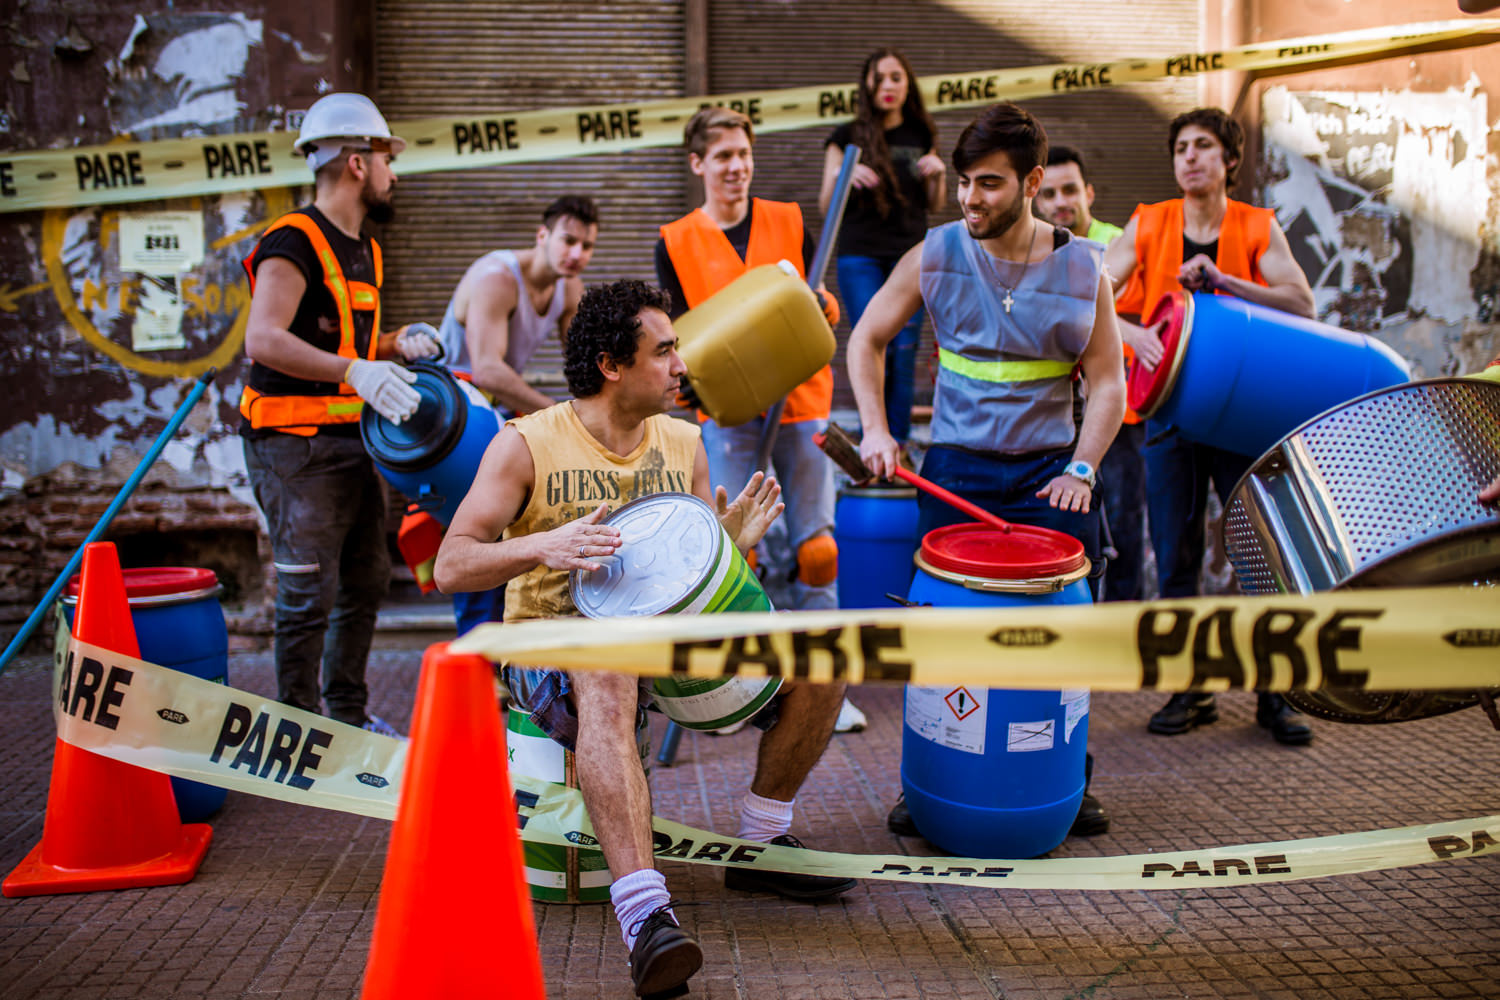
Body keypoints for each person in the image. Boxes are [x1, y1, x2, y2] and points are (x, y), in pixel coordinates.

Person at [433, 279, 853, 999]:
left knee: (824, 648)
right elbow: (450, 564)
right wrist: (545, 546)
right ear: (611, 365)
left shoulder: (686, 443)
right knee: (607, 667)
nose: (682, 365)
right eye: (665, 352)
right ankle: (647, 920)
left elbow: (679, 573)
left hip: (662, 643)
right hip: (551, 650)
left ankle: (760, 843)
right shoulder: (524, 445)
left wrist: (726, 545)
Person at [846, 102, 1126, 842]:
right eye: (966, 181)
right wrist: (877, 429)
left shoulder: (1083, 267)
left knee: (1056, 642)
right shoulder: (934, 254)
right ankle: (934, 779)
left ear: (1033, 181)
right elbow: (866, 339)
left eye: (991, 184)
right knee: (944, 642)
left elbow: (1109, 383)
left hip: (1049, 480)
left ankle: (1065, 775)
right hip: (956, 473)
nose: (971, 198)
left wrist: (1084, 469)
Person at [1105, 107, 1317, 745]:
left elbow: (1302, 302)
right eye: (1181, 148)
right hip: (1168, 416)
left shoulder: (1257, 226)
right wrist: (1135, 333)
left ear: (1229, 160)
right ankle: (1189, 690)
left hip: (1241, 410)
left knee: (1261, 553)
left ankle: (1275, 698)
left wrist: (1225, 281)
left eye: (1203, 147)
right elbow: (1087, 295)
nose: (1190, 157)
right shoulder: (1149, 222)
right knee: (1175, 558)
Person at [655, 107, 867, 733]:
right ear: (698, 164)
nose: (737, 166)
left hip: (802, 401)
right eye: (722, 155)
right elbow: (676, 334)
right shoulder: (675, 239)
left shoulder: (789, 219)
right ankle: (746, 689)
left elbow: (821, 304)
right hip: (731, 413)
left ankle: (827, 687)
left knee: (818, 551)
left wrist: (823, 307)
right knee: (735, 551)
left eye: (744, 153)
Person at [239, 92, 440, 738]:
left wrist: (390, 347)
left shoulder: (366, 252)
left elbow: (342, 348)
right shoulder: (293, 240)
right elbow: (263, 340)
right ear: (357, 162)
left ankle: (346, 720)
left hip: (350, 441)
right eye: (387, 158)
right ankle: (298, 733)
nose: (394, 174)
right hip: (291, 445)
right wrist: (356, 370)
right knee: (306, 593)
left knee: (366, 576)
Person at [433, 194, 600, 635]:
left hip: (498, 409)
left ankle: (516, 641)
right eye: (568, 241)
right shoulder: (497, 278)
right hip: (456, 414)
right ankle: (479, 651)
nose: (577, 254)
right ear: (542, 235)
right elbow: (488, 367)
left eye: (587, 246)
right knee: (480, 527)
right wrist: (555, 415)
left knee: (521, 522)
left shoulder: (569, 286)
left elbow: (581, 371)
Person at [1035, 144, 1146, 605]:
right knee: (1064, 523)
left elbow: (1122, 319)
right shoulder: (1034, 246)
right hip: (1057, 413)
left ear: (1089, 192)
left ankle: (1121, 625)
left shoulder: (1117, 242)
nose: (1061, 202)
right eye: (1050, 194)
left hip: (1119, 410)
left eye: (1070, 190)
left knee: (1122, 522)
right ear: (1036, 200)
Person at [819, 47, 945, 446]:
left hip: (910, 254)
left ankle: (900, 445)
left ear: (908, 84)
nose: (888, 86)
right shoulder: (846, 137)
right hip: (861, 255)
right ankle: (873, 437)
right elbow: (826, 207)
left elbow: (936, 203)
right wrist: (844, 174)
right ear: (867, 86)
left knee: (904, 349)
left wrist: (938, 175)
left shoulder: (922, 133)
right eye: (880, 78)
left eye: (896, 77)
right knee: (872, 341)